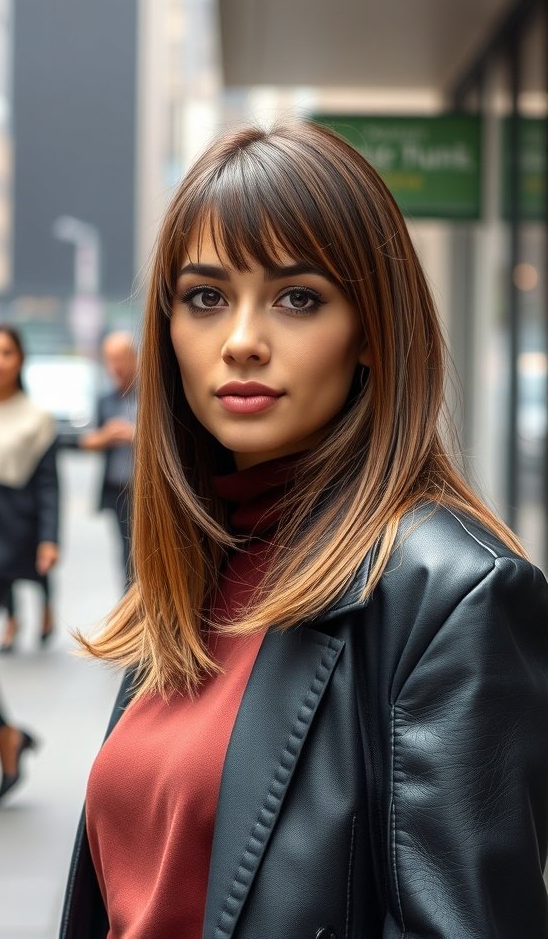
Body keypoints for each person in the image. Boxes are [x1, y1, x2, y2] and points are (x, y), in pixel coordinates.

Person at [60, 121, 548, 938]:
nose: (243, 341)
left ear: (370, 334)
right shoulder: (198, 566)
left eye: (298, 297)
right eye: (206, 297)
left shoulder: (453, 597)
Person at [0, 325, 59, 802]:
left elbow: (48, 484)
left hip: (0, 541)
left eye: (7, 352)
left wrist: (49, 539)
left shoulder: (35, 418)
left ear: (20, 360)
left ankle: (1, 736)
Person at [79, 331, 137, 585]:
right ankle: (130, 607)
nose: (116, 366)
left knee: (143, 553)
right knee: (125, 552)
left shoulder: (153, 395)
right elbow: (88, 441)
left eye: (121, 359)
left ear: (134, 359)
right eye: (110, 360)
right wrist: (107, 435)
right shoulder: (106, 400)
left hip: (146, 488)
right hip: (117, 491)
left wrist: (135, 435)